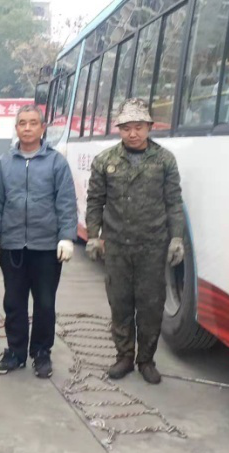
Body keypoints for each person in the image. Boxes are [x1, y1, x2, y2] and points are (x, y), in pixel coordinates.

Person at [85, 98, 186, 385]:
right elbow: (95, 201)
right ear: (119, 129)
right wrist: (93, 236)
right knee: (120, 303)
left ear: (149, 127)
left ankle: (146, 360)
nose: (133, 133)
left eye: (139, 127)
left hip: (152, 245)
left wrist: (177, 237)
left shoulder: (164, 160)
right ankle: (124, 356)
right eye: (126, 128)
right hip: (117, 246)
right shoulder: (105, 161)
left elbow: (174, 202)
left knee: (151, 305)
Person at [0, 104, 77, 379]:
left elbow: (66, 202)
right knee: (14, 302)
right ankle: (15, 352)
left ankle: (41, 352)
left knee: (45, 303)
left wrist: (66, 237)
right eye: (22, 123)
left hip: (46, 247)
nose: (27, 128)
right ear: (16, 128)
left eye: (33, 123)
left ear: (42, 128)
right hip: (13, 246)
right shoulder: (3, 164)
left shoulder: (56, 162)